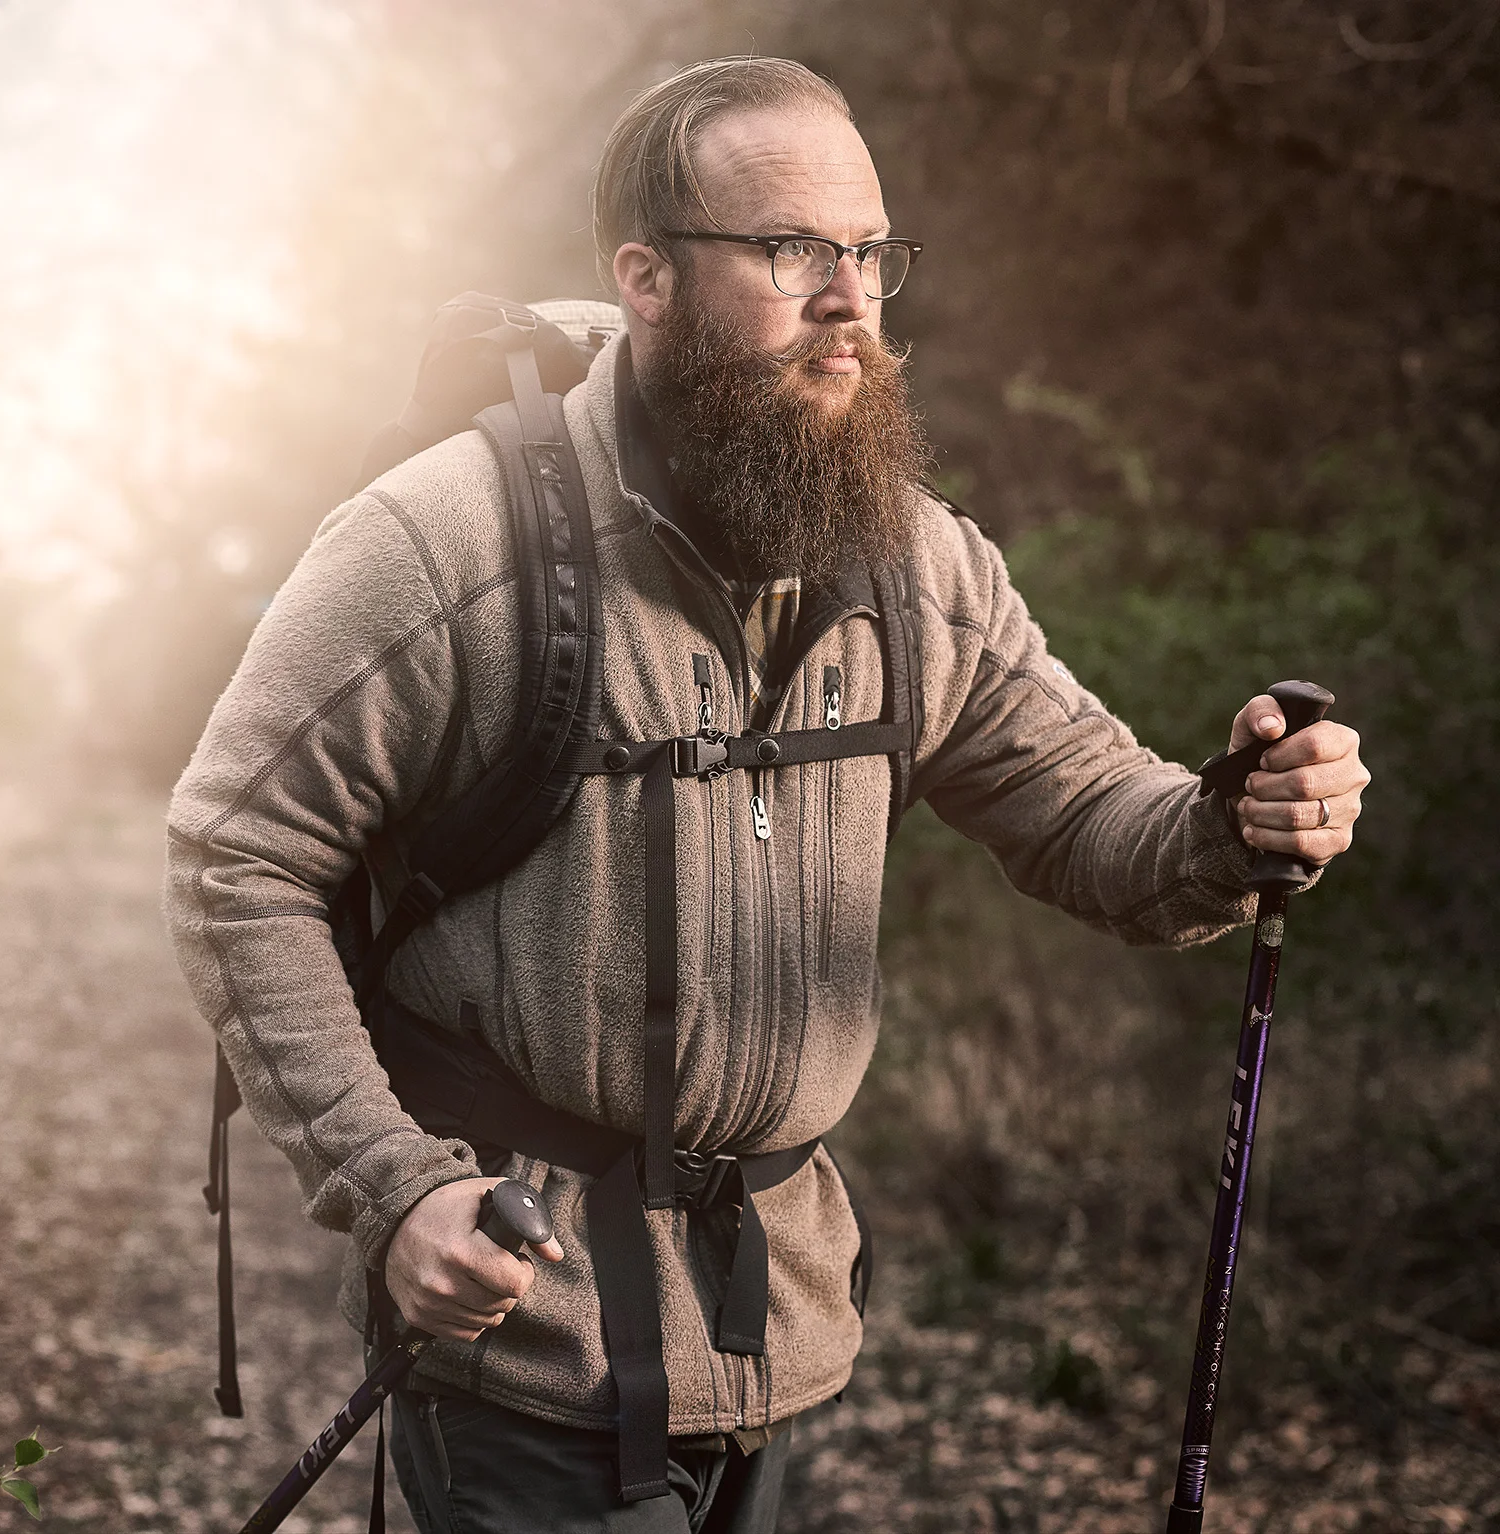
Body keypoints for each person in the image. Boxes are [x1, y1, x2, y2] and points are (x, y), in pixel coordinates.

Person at [165, 56, 1370, 1533]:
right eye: (794, 250)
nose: (851, 297)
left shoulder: (916, 564)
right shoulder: (452, 543)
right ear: (647, 278)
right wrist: (394, 1187)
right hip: (524, 1325)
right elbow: (235, 852)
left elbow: (1090, 815)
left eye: (871, 252)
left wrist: (1233, 821)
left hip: (779, 1324)